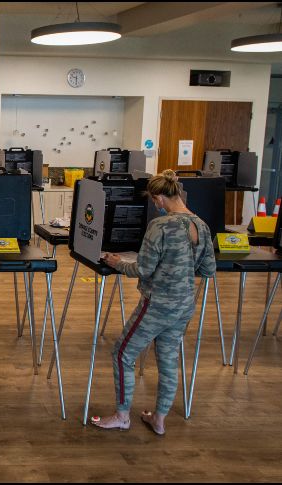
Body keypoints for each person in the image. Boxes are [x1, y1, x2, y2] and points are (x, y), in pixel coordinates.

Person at [91, 169, 216, 436]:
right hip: (184, 305)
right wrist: (180, 267)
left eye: (154, 201)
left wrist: (117, 263)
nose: (154, 205)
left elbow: (144, 269)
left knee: (122, 353)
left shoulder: (160, 226)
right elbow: (207, 270)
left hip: (157, 304)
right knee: (168, 360)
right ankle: (159, 419)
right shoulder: (202, 226)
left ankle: (122, 416)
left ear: (160, 197)